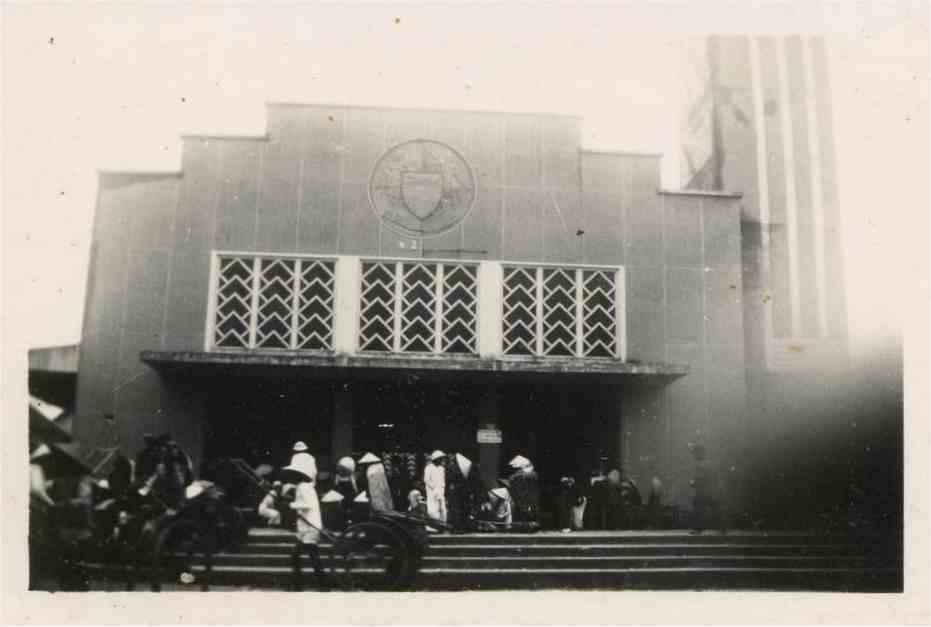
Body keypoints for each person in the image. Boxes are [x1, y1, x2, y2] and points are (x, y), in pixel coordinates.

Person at [689, 443, 726, 535]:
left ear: (698, 454)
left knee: (698, 508)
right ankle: (723, 528)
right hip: (713, 491)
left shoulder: (699, 465)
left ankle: (698, 529)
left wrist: (692, 483)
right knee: (716, 509)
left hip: (702, 492)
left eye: (694, 453)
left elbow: (699, 479)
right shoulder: (711, 464)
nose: (693, 456)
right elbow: (716, 478)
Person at [506, 455, 540, 525]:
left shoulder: (520, 475)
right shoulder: (530, 474)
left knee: (527, 508)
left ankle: (528, 522)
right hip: (527, 494)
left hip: (525, 494)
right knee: (529, 508)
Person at [424, 450, 448, 524]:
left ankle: (443, 524)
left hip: (440, 491)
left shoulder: (442, 468)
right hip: (432, 493)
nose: (442, 460)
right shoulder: (429, 467)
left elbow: (442, 480)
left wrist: (442, 488)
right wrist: (434, 488)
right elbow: (426, 480)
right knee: (432, 510)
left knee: (442, 509)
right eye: (440, 458)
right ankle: (434, 526)